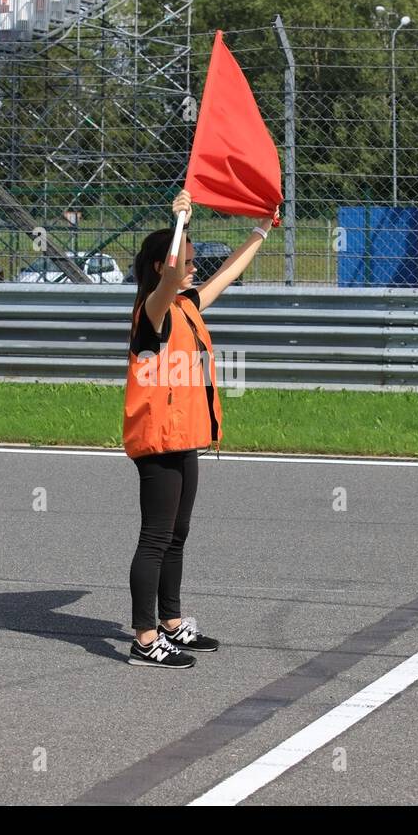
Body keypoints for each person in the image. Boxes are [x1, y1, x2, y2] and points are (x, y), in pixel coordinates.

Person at [122, 189, 270, 668]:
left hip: (185, 436)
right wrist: (180, 221)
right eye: (186, 260)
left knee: (178, 534)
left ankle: (170, 622)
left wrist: (261, 230)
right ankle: (144, 639)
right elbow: (167, 278)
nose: (193, 267)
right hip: (159, 440)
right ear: (162, 267)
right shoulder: (154, 310)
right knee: (155, 537)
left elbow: (229, 272)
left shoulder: (187, 305)